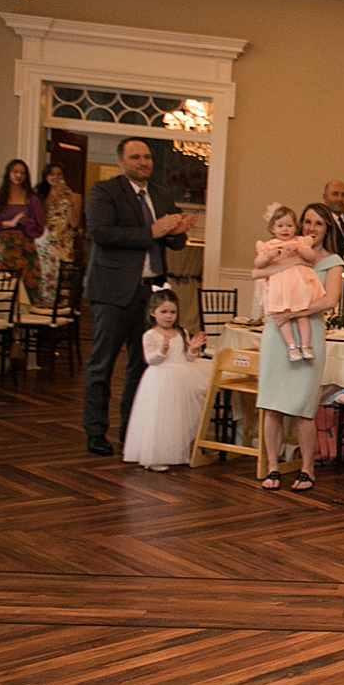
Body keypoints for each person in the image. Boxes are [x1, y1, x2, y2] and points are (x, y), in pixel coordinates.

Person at [82, 137, 196, 455]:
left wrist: (178, 231)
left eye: (147, 157)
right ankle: (95, 432)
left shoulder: (161, 194)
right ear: (120, 161)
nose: (143, 162)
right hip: (112, 292)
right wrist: (153, 232)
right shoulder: (104, 192)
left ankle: (131, 430)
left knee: (142, 365)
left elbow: (173, 243)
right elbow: (101, 233)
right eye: (135, 157)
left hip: (152, 293)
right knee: (101, 365)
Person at [253, 203, 344, 492]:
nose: (311, 228)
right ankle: (272, 468)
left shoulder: (332, 262)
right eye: (307, 222)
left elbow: (330, 301)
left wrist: (291, 313)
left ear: (327, 228)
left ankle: (307, 468)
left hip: (308, 330)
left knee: (304, 407)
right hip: (276, 332)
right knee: (272, 405)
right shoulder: (285, 248)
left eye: (318, 223)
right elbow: (258, 274)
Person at [121, 289, 209, 471]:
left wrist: (193, 348)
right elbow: (150, 360)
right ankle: (156, 456)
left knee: (178, 417)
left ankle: (177, 451)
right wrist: (162, 350)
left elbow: (188, 358)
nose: (169, 317)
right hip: (160, 379)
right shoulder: (150, 335)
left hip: (181, 377)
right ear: (153, 312)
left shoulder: (181, 332)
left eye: (173, 312)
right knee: (160, 417)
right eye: (164, 312)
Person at [254, 205, 326, 362]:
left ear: (295, 227)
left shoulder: (300, 241)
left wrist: (299, 249)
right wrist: (268, 257)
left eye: (289, 225)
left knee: (302, 315)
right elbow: (258, 263)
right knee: (282, 317)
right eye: (280, 226)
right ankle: (292, 346)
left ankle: (306, 345)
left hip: (297, 285)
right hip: (279, 287)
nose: (285, 229)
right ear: (272, 228)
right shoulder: (268, 245)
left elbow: (311, 256)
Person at [0, 158, 45, 301]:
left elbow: (40, 227)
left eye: (22, 173)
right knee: (4, 287)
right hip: (5, 248)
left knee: (29, 289)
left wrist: (26, 222)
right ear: (8, 173)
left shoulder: (32, 199)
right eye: (15, 172)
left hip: (26, 249)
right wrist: (10, 223)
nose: (19, 176)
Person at [35, 161, 82, 306]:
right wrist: (50, 198)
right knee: (43, 278)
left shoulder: (75, 196)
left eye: (59, 174)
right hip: (43, 244)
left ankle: (59, 311)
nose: (55, 177)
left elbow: (74, 223)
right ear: (46, 177)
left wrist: (70, 201)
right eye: (51, 174)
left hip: (63, 244)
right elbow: (38, 219)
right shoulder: (39, 195)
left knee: (61, 279)